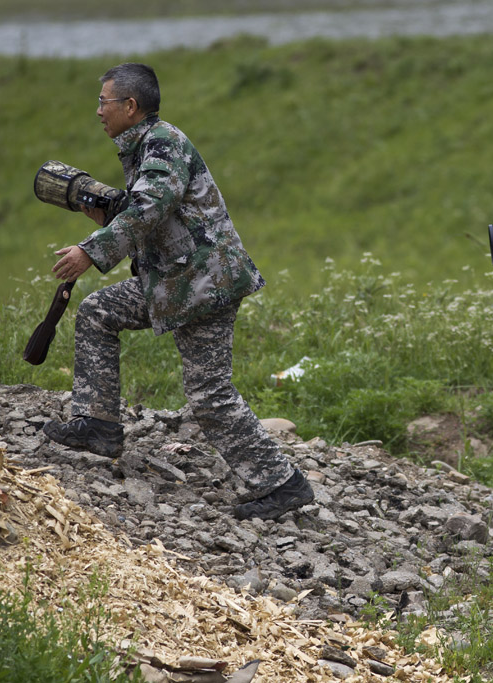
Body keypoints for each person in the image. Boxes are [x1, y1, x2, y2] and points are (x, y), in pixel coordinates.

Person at [43, 62, 313, 522]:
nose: (97, 111)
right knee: (98, 312)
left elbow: (151, 206)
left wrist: (91, 252)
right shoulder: (145, 145)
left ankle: (282, 482)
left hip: (203, 286)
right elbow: (158, 213)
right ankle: (99, 425)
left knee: (209, 395)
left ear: (130, 106)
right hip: (173, 283)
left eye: (103, 102)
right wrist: (108, 212)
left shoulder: (163, 142)